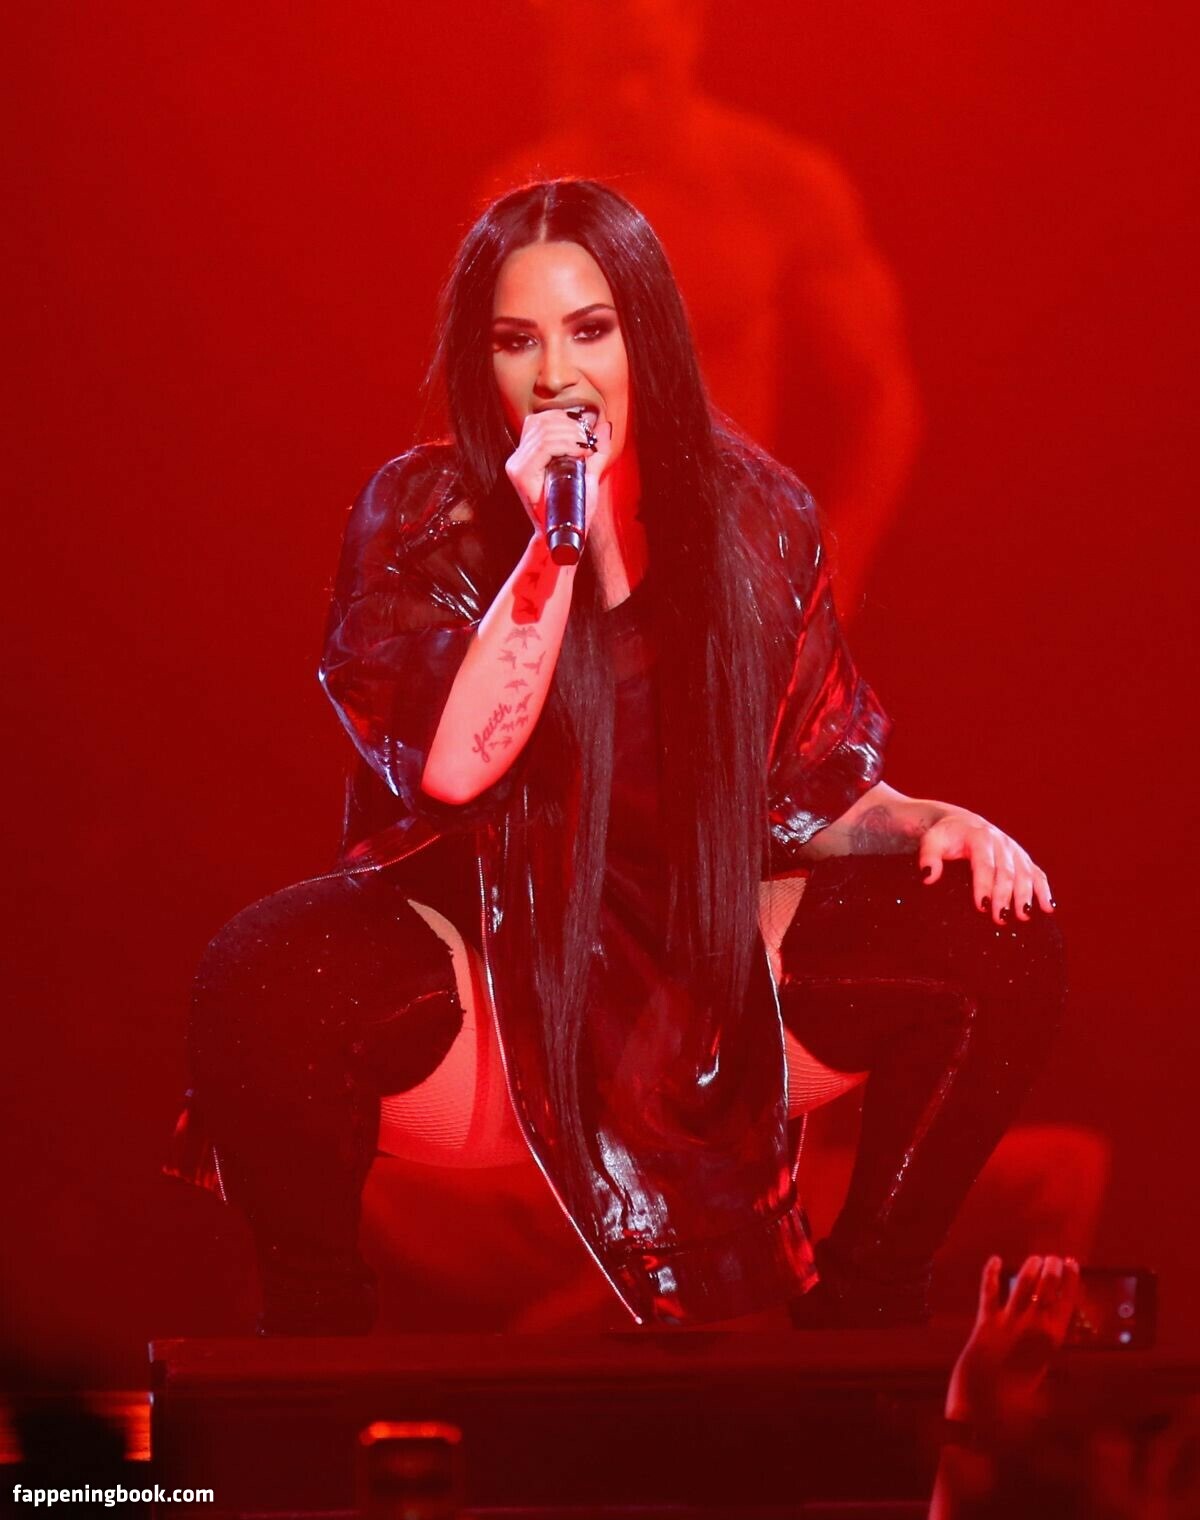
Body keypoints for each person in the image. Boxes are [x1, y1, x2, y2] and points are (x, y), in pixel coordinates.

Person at [165, 179, 1065, 1336]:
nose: (557, 375)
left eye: (589, 330)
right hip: (488, 972)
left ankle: (863, 1321)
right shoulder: (423, 512)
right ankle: (318, 1361)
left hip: (707, 967)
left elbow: (811, 785)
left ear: (646, 337)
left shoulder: (757, 517)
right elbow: (453, 767)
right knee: (265, 972)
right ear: (480, 363)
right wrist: (551, 551)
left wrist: (932, 820)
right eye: (518, 341)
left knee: (998, 926)